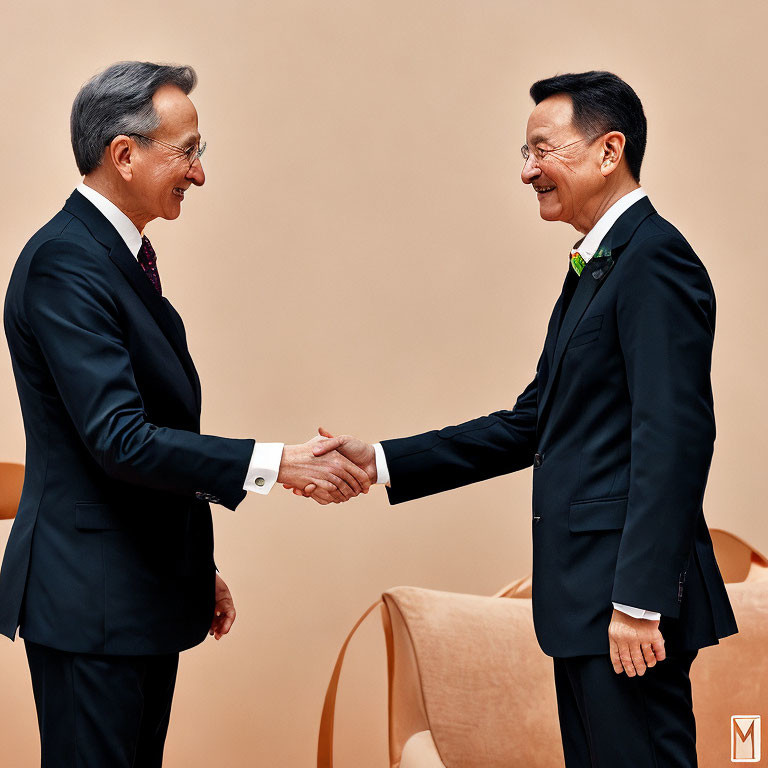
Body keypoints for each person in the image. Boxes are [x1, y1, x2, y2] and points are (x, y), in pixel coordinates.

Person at [303, 71, 738, 767]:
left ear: (608, 150)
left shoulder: (656, 262)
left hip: (624, 611)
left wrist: (639, 601)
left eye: (543, 149)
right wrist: (380, 459)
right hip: (587, 608)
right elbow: (530, 423)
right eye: (523, 152)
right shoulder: (597, 268)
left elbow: (676, 437)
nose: (527, 170)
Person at [0, 60, 372, 768]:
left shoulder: (116, 256)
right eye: (189, 151)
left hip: (129, 594)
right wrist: (278, 462)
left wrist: (187, 566)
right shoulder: (65, 263)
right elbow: (120, 440)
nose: (199, 173)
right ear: (123, 155)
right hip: (89, 606)